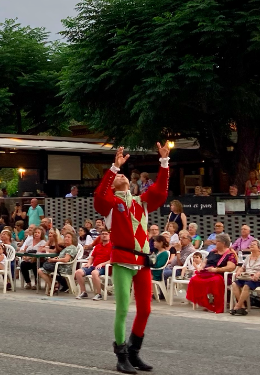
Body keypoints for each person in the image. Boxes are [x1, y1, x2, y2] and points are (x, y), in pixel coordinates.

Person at [94, 143, 170, 374]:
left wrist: (164, 163)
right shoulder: (110, 204)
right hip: (122, 260)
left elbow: (161, 191)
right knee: (123, 309)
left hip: (143, 261)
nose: (123, 177)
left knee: (145, 309)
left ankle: (134, 352)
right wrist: (113, 169)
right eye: (120, 176)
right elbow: (99, 195)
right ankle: (121, 355)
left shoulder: (141, 202)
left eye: (125, 175)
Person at [186, 233, 237, 313]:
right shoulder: (213, 252)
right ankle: (205, 303)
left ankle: (216, 305)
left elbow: (231, 267)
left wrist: (216, 270)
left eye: (217, 241)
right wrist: (201, 267)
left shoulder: (230, 254)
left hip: (221, 274)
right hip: (207, 272)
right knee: (194, 279)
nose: (215, 243)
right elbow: (205, 261)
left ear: (223, 243)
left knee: (215, 281)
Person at [229, 239, 260, 315]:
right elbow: (243, 267)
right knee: (234, 284)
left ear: (259, 248)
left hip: (257, 279)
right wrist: (240, 270)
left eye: (254, 244)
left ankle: (237, 306)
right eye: (251, 244)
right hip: (246, 277)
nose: (251, 245)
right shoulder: (248, 257)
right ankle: (242, 307)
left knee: (246, 285)